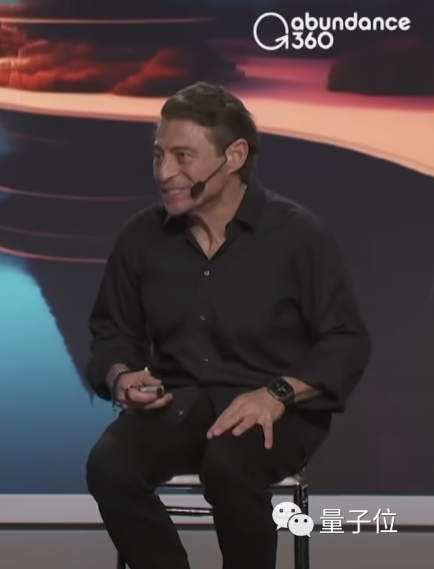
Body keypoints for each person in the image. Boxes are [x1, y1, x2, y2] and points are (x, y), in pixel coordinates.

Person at [84, 82, 371, 569]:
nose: (165, 173)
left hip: (276, 408)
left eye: (183, 156)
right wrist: (122, 376)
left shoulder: (298, 235)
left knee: (230, 467)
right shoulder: (140, 238)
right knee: (109, 466)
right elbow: (112, 333)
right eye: (158, 156)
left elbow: (346, 340)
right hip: (177, 402)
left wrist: (276, 394)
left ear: (234, 156)